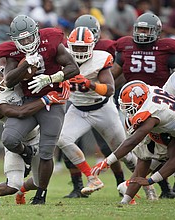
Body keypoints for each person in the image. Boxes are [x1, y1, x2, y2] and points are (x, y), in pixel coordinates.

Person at [0, 14, 79, 205]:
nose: (26, 42)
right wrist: (25, 64)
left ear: (36, 34)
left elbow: (73, 68)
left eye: (29, 37)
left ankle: (41, 194)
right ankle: (26, 153)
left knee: (47, 151)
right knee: (10, 138)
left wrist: (51, 78)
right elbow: (9, 81)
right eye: (21, 40)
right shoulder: (13, 52)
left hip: (53, 100)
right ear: (14, 40)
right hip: (28, 100)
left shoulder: (51, 41)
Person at [56, 26, 137, 196]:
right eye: (75, 47)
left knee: (123, 153)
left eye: (82, 48)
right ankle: (91, 177)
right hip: (77, 109)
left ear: (92, 46)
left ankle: (145, 184)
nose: (78, 51)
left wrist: (90, 84)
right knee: (63, 139)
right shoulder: (60, 59)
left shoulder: (101, 59)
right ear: (69, 46)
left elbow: (109, 89)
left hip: (102, 109)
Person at [0, 63, 70, 205]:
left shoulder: (18, 83)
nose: (2, 79)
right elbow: (20, 113)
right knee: (12, 185)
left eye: (2, 74)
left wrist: (62, 84)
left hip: (35, 138)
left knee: (39, 182)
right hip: (16, 144)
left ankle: (22, 191)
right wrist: (47, 99)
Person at [111, 12, 175, 198]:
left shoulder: (166, 49)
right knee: (146, 149)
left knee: (160, 147)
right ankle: (151, 185)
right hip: (133, 105)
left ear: (156, 31)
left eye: (147, 30)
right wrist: (106, 89)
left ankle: (153, 186)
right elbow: (115, 73)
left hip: (158, 105)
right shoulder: (126, 47)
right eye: (139, 29)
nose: (143, 34)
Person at [91, 80, 175, 204]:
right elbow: (142, 157)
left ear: (141, 101)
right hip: (167, 128)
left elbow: (132, 141)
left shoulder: (151, 112)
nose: (127, 109)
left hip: (169, 129)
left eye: (129, 105)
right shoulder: (148, 90)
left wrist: (150, 180)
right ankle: (126, 200)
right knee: (143, 156)